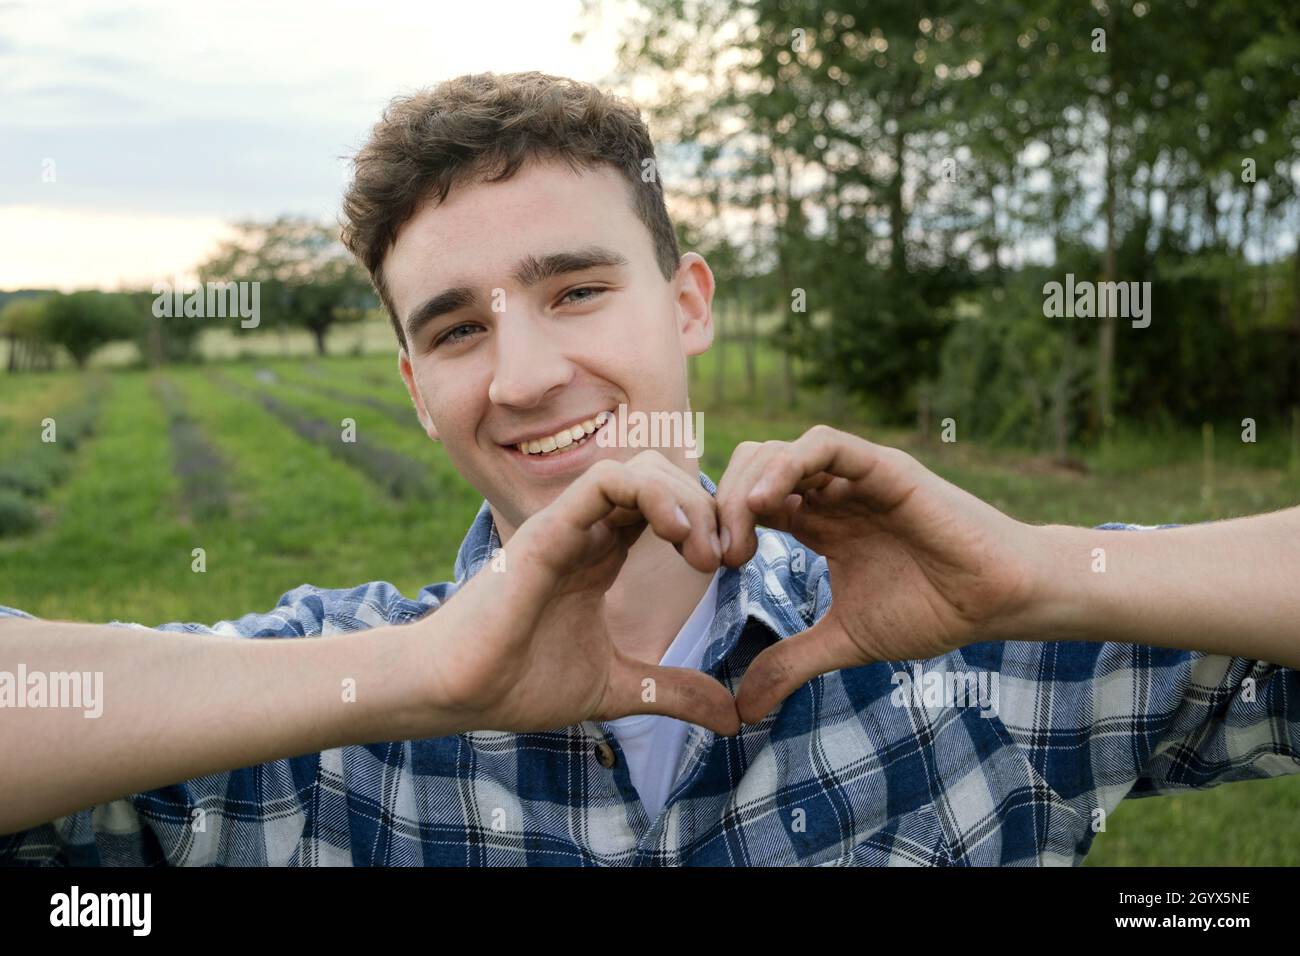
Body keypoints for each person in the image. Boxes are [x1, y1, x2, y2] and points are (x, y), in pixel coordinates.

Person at [2, 71, 1297, 866]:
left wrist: (1042, 573)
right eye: (456, 328)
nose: (520, 377)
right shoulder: (318, 718)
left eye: (575, 289)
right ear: (412, 387)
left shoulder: (983, 647)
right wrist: (420, 675)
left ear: (688, 301)